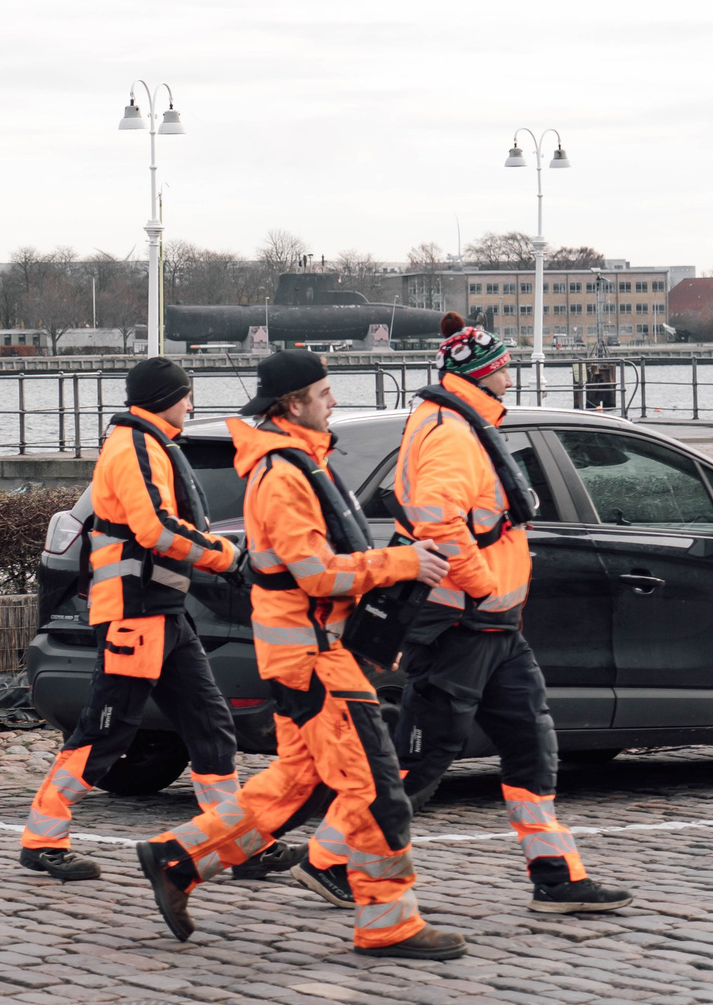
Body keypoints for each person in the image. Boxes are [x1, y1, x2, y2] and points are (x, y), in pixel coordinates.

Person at [132, 350, 464, 959]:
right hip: (313, 661)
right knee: (375, 790)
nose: (333, 401)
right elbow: (315, 573)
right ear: (293, 403)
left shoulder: (296, 462)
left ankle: (179, 858)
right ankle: (388, 922)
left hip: (312, 656)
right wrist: (403, 562)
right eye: (324, 392)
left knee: (293, 787)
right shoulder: (284, 474)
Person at [382, 315, 631, 914]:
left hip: (493, 624)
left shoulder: (462, 422)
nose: (511, 379)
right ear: (482, 374)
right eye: (504, 369)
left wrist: (492, 596)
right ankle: (336, 858)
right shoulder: (450, 432)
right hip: (460, 622)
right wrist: (481, 584)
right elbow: (438, 521)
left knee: (531, 743)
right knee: (423, 757)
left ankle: (556, 874)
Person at [18, 357, 271, 881]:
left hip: (162, 612)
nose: (192, 406)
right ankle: (42, 839)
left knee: (211, 727)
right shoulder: (136, 446)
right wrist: (227, 557)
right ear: (165, 398)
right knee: (105, 734)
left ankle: (238, 843)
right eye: (186, 396)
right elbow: (156, 529)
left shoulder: (148, 442)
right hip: (135, 616)